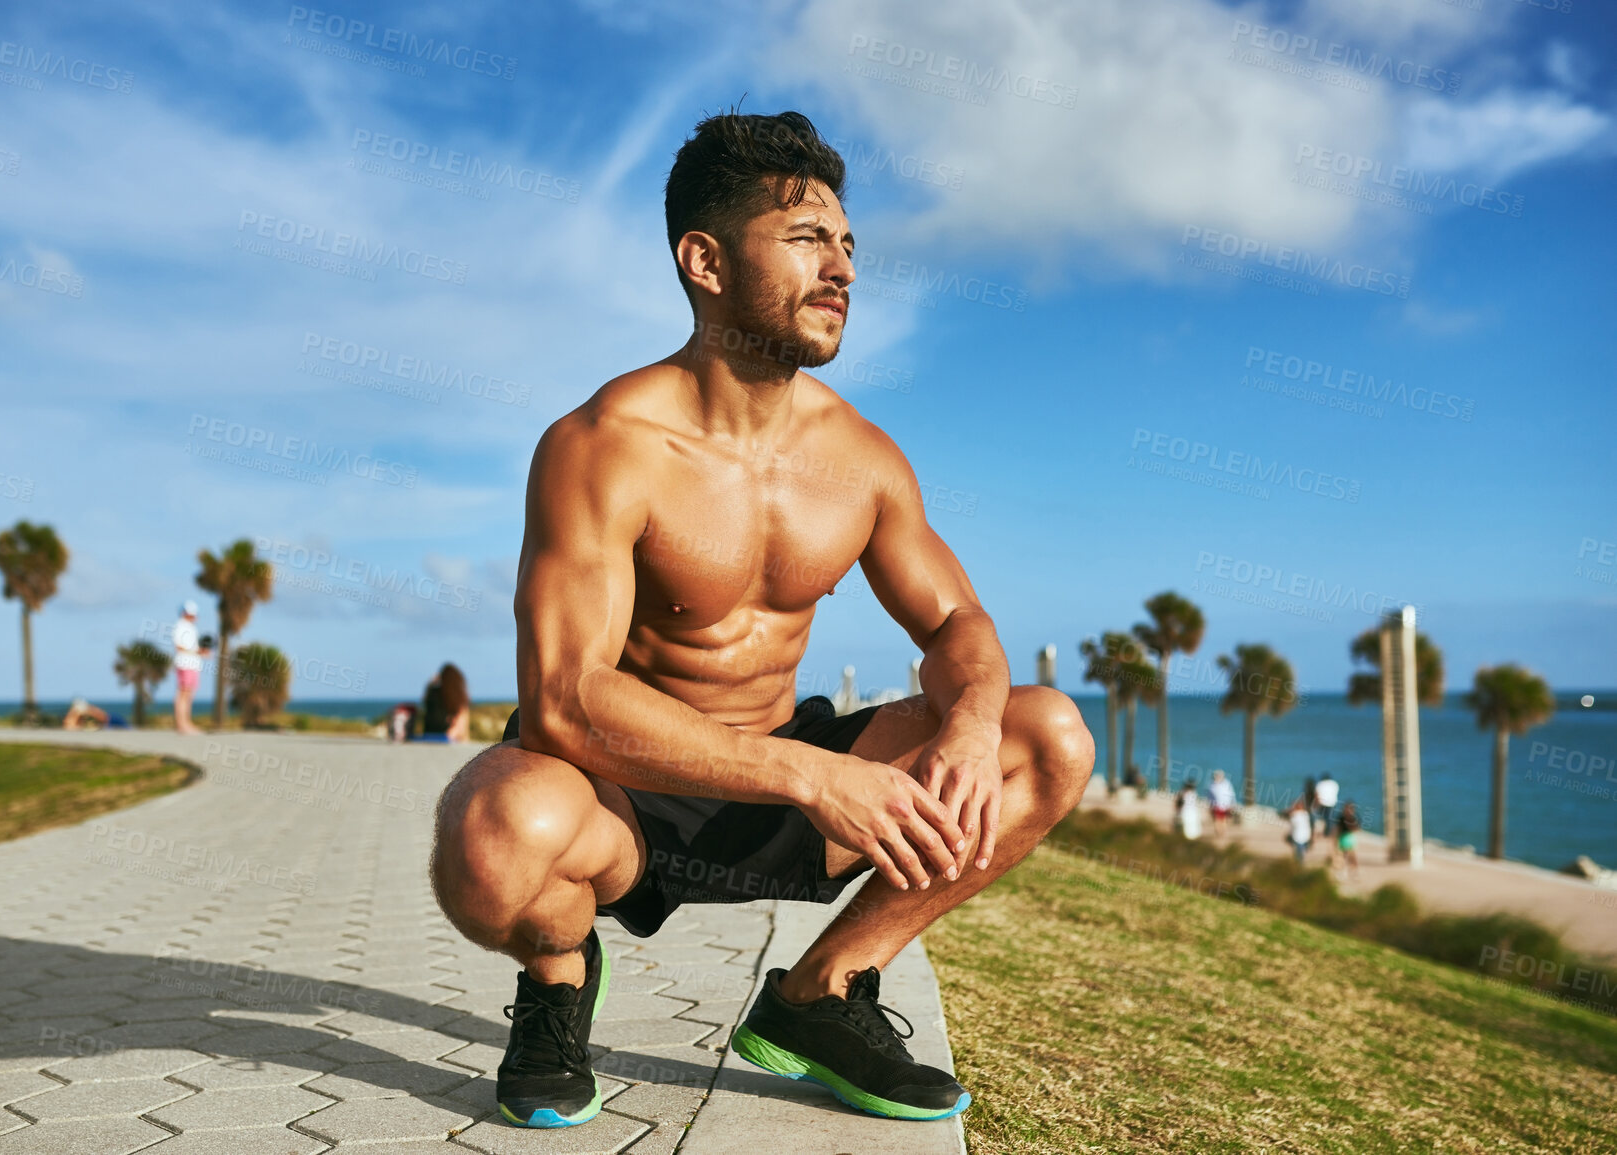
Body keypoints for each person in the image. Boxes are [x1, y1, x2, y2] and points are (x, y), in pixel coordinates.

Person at [428, 110, 1095, 1131]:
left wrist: (964, 726)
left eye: (847, 246)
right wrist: (816, 775)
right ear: (705, 261)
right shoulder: (605, 443)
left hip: (785, 790)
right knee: (491, 833)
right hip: (629, 794)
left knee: (1042, 736)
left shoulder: (863, 459)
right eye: (805, 241)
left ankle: (820, 997)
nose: (843, 271)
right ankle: (559, 981)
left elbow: (958, 620)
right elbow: (564, 701)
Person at [171, 601, 210, 735]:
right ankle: (181, 724)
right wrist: (197, 652)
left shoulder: (191, 628)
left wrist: (201, 652)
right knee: (183, 693)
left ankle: (186, 722)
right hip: (184, 664)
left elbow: (192, 647)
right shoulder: (180, 626)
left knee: (189, 694)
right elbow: (179, 646)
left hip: (193, 665)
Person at [419, 664, 471, 742]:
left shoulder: (434, 693)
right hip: (449, 735)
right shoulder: (459, 697)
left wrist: (430, 683)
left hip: (431, 734)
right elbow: (462, 724)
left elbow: (425, 700)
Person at [1335, 801, 1361, 880]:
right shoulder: (1341, 818)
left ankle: (1353, 873)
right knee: (1342, 857)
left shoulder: (1353, 818)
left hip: (1350, 839)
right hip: (1344, 838)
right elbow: (1338, 829)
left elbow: (1356, 828)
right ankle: (1342, 873)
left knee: (1352, 857)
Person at [1207, 768, 1236, 837]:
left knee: (1223, 820)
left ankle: (1222, 833)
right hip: (1216, 806)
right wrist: (1210, 805)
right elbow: (1209, 796)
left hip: (1225, 806)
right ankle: (1219, 833)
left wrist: (1233, 804)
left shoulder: (1226, 784)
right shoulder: (1212, 785)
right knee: (1217, 820)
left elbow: (1231, 795)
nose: (1217, 777)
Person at [1313, 771, 1339, 846]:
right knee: (1330, 819)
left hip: (1323, 803)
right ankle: (1328, 832)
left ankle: (1327, 833)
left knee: (1325, 819)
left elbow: (1317, 795)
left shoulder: (1320, 784)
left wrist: (1316, 804)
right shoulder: (1334, 783)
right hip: (1332, 803)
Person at [1287, 799, 1313, 867]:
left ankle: (1299, 864)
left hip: (1299, 836)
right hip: (1303, 835)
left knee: (1299, 852)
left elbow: (1292, 824)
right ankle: (1300, 864)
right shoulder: (1305, 814)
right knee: (1301, 851)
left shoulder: (1296, 815)